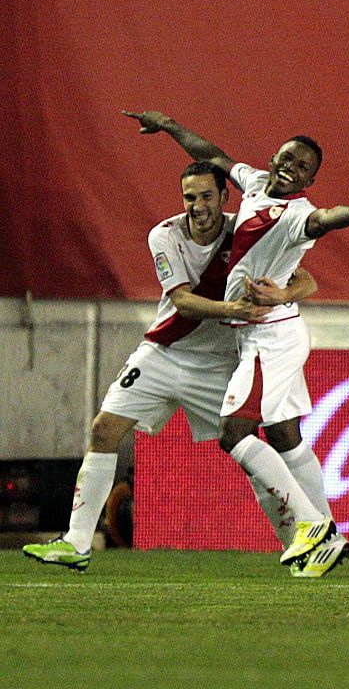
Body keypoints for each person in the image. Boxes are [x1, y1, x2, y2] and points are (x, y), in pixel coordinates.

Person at [120, 109, 349, 573]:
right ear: (274, 157)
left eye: (303, 167)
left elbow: (324, 219)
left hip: (271, 337)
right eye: (288, 158)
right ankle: (329, 535)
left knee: (234, 434)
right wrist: (168, 126)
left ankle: (311, 528)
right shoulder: (255, 183)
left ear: (311, 178)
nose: (292, 168)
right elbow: (211, 155)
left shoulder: (295, 214)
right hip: (260, 334)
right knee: (286, 437)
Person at [22, 162, 322, 572]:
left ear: (224, 197)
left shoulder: (246, 233)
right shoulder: (166, 234)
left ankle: (304, 547)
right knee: (103, 430)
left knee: (250, 451)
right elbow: (181, 301)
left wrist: (285, 292)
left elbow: (307, 279)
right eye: (189, 197)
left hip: (219, 363)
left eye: (205, 196)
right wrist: (231, 308)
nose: (197, 207)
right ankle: (76, 543)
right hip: (163, 354)